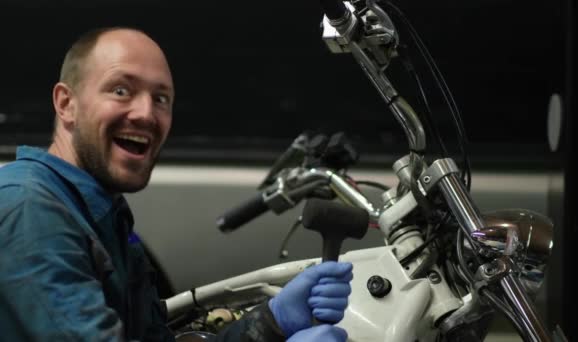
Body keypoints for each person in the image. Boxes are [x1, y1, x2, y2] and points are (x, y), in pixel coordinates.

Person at [0, 27, 353, 341]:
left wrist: (271, 323)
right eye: (121, 90)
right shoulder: (31, 210)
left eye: (161, 98)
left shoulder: (104, 217)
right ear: (66, 104)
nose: (145, 113)